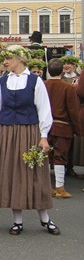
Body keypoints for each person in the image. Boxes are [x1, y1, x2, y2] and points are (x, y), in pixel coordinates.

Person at [0, 46, 58, 235]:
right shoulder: (2, 82)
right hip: (8, 132)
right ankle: (17, 220)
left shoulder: (35, 81)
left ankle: (45, 218)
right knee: (12, 174)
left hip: (29, 131)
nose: (5, 62)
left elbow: (44, 110)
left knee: (34, 173)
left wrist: (44, 136)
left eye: (8, 58)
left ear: (19, 58)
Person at [43, 58, 80, 198]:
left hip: (45, 126)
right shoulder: (68, 88)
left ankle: (46, 186)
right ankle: (60, 188)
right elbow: (73, 110)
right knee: (60, 157)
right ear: (61, 70)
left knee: (45, 156)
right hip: (63, 127)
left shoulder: (42, 85)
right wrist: (78, 129)